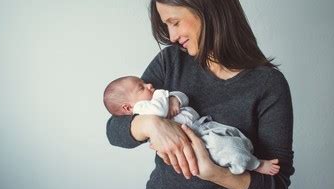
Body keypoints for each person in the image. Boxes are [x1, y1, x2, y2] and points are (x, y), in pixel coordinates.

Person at [106, 0, 294, 189]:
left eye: (175, 22)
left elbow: (277, 185)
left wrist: (216, 174)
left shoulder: (268, 85)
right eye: (167, 26)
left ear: (207, 10)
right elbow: (114, 128)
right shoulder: (171, 61)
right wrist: (151, 124)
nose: (172, 36)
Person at [103, 75, 280, 176]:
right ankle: (255, 164)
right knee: (227, 148)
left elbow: (183, 97)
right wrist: (161, 99)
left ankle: (246, 154)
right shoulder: (143, 108)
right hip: (196, 141)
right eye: (141, 87)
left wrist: (175, 98)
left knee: (234, 136)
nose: (149, 85)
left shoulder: (268, 82)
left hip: (204, 125)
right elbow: (114, 131)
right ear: (127, 107)